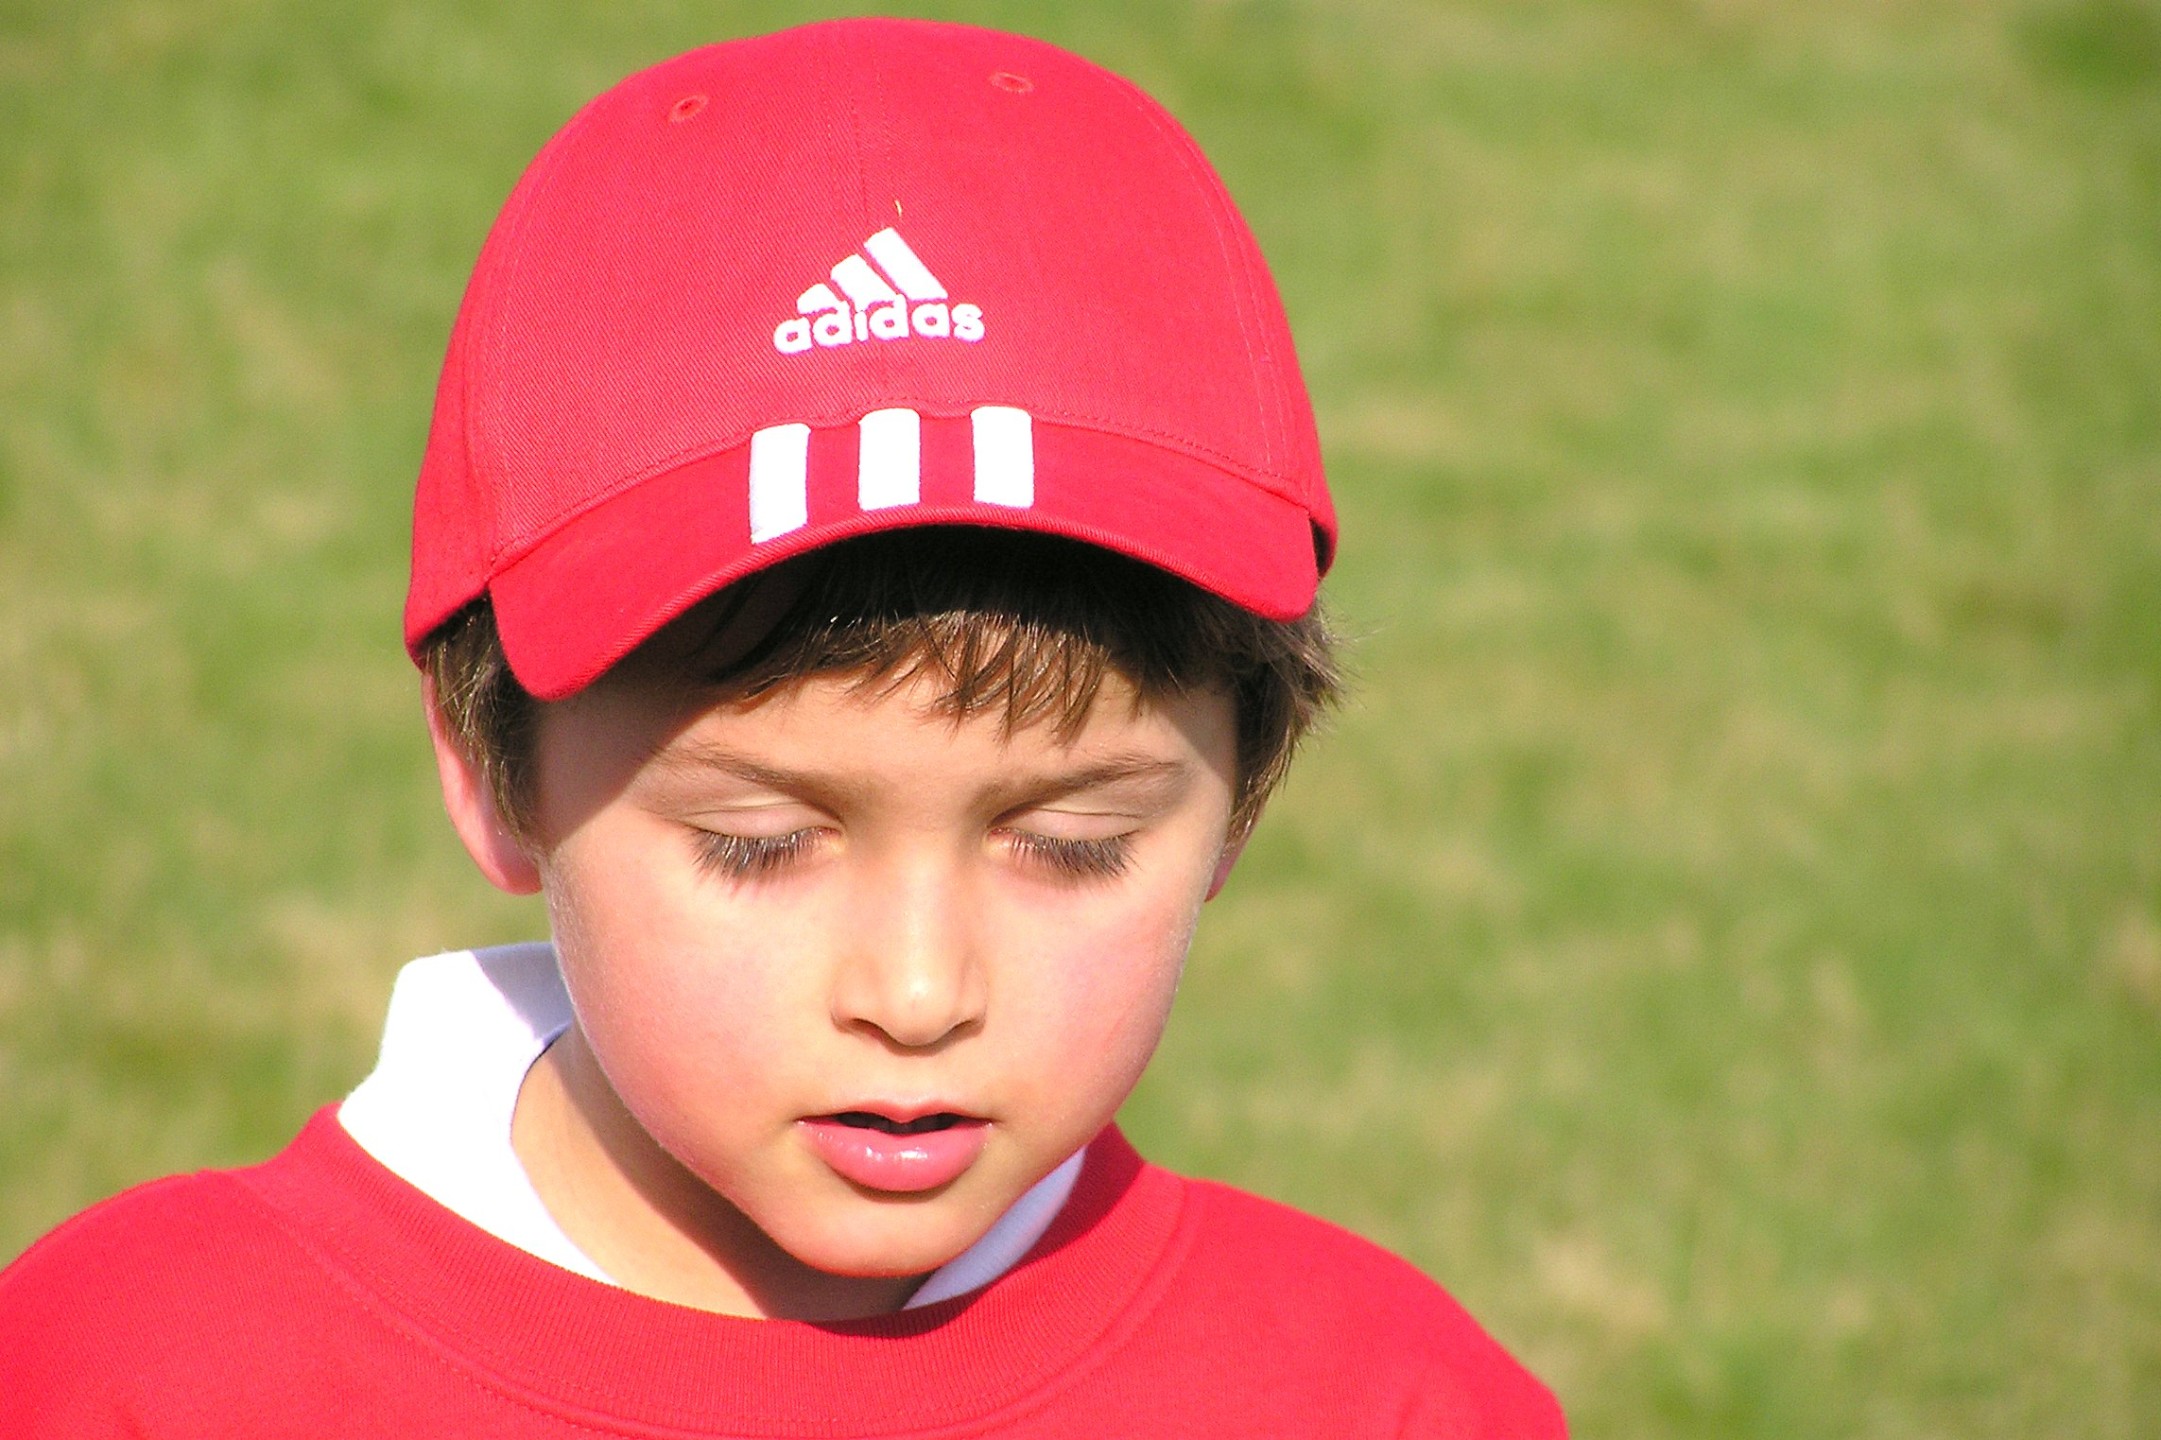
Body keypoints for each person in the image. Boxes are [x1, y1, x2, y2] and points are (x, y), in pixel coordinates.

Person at [0, 18, 1565, 1436]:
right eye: (758, 843)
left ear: (1241, 794)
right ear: (488, 769)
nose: (917, 992)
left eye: (1072, 843)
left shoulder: (1382, 1399)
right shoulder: (130, 1378)